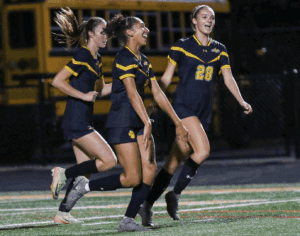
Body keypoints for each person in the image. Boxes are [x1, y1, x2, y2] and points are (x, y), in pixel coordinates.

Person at [51, 14, 190, 232]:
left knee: (148, 170)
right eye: (141, 26)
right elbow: (58, 81)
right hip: (103, 120)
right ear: (130, 32)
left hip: (118, 119)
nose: (147, 29)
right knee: (116, 167)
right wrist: (83, 95)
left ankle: (70, 212)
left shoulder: (133, 59)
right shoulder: (103, 56)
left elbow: (151, 92)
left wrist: (178, 122)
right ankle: (70, 178)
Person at [139, 5, 253, 227]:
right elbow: (166, 78)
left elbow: (229, 79)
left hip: (203, 112)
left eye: (211, 17)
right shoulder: (182, 46)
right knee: (203, 150)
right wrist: (154, 103)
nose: (209, 20)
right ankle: (175, 195)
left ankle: (147, 205)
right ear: (194, 21)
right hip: (183, 108)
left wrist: (241, 100)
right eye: (203, 17)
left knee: (172, 164)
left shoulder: (219, 49)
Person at [49, 8, 118, 224]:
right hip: (76, 119)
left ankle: (63, 213)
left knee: (84, 174)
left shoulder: (96, 59)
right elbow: (58, 81)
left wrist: (128, 80)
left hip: (82, 119)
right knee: (109, 161)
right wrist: (83, 95)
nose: (105, 36)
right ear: (90, 34)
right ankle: (61, 173)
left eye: (107, 33)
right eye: (101, 32)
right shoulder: (82, 55)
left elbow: (103, 89)